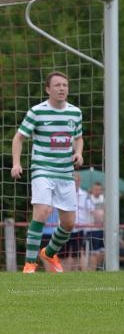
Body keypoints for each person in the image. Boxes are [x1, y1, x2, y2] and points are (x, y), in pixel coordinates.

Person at [12, 71, 84, 274]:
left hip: (65, 172)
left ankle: (49, 252)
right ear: (48, 89)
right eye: (57, 85)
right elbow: (18, 138)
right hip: (42, 169)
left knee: (69, 223)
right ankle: (29, 263)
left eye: (65, 85)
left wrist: (78, 153)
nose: (62, 88)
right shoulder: (37, 111)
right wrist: (16, 164)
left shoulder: (75, 113)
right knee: (42, 211)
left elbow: (78, 137)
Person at [85, 181, 105, 270]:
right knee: (94, 253)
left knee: (102, 252)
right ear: (92, 190)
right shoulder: (88, 199)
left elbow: (106, 212)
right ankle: (93, 271)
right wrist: (102, 215)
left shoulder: (103, 198)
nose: (97, 191)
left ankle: (98, 269)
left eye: (99, 189)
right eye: (95, 189)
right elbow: (96, 214)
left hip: (102, 229)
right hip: (91, 230)